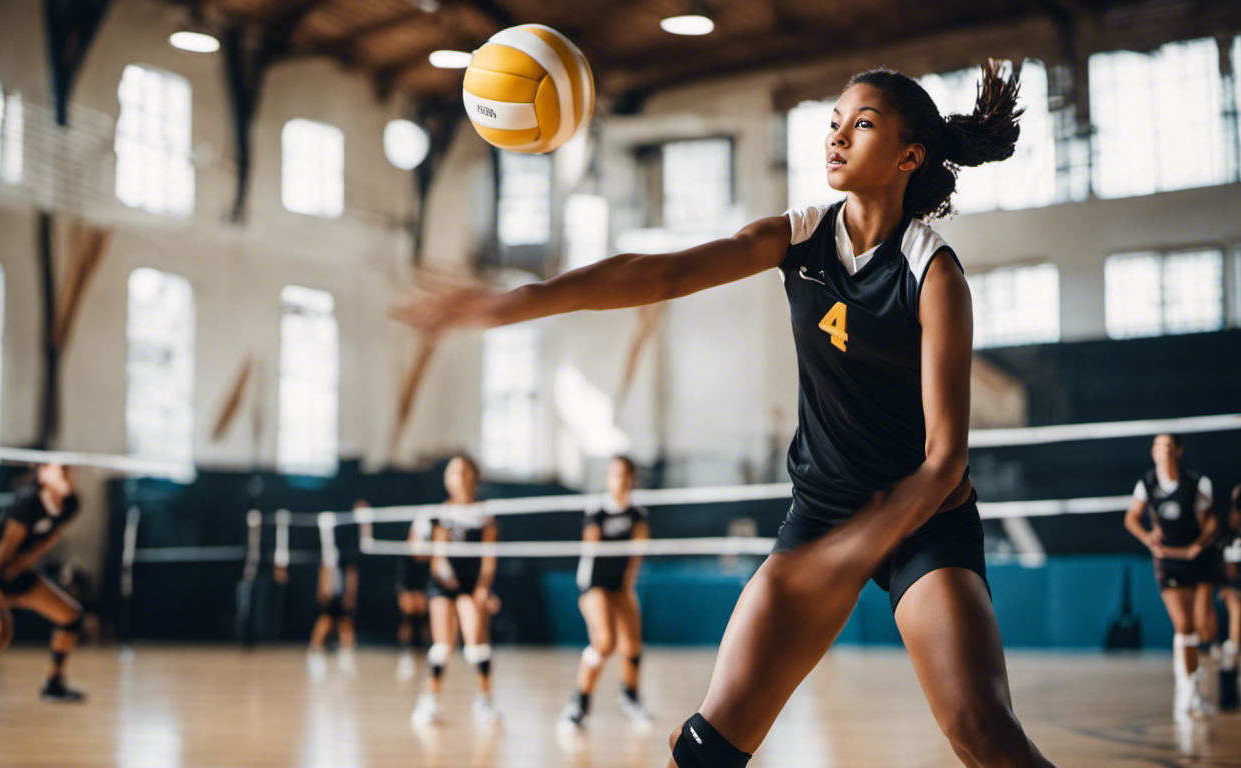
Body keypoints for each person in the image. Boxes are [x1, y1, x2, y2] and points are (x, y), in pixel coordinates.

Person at [399, 60, 1057, 767]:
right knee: (708, 749)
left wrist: (860, 544)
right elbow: (661, 272)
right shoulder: (802, 236)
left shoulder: (934, 274)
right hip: (823, 513)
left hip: (924, 525)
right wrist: (512, 303)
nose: (835, 137)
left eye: (860, 125)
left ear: (908, 155)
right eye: (832, 123)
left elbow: (945, 459)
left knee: (983, 733)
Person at [0, 463, 87, 711]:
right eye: (61, 468)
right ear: (42, 473)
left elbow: (46, 541)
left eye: (70, 468)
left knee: (71, 617)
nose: (67, 471)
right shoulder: (28, 500)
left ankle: (53, 684)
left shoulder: (71, 504)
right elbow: (0, 555)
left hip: (13, 570)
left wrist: (22, 567)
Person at [1124, 433, 1218, 720]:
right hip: (1168, 562)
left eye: (1166, 446)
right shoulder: (1147, 483)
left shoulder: (1195, 484)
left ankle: (1191, 683)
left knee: (1204, 628)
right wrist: (1148, 538)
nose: (1160, 451)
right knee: (1183, 624)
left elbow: (1210, 521)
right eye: (1156, 446)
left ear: (1178, 450)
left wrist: (1199, 545)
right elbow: (1131, 518)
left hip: (1197, 560)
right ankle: (1188, 693)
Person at [560, 455, 651, 727]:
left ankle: (630, 697)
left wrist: (628, 580)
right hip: (594, 583)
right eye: (614, 474)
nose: (619, 480)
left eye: (624, 475)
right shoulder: (596, 510)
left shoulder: (638, 514)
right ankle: (579, 702)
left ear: (632, 479)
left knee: (633, 643)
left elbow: (637, 551)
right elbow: (592, 545)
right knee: (605, 642)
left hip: (620, 585)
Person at [411, 456, 501, 725]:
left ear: (473, 476)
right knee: (443, 645)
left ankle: (484, 701)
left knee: (476, 642)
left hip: (472, 585)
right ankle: (430, 701)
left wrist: (484, 587)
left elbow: (489, 554)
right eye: (452, 473)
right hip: (443, 583)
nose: (458, 478)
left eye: (463, 472)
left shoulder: (485, 514)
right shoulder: (441, 513)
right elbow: (435, 555)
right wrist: (442, 575)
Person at [307, 502, 365, 676]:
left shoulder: (351, 541)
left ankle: (345, 656)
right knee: (327, 620)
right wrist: (324, 586)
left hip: (340, 588)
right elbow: (327, 566)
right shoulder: (338, 538)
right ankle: (315, 653)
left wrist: (350, 593)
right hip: (334, 588)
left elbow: (351, 570)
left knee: (344, 622)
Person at [396, 506, 433, 681]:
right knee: (408, 619)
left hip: (424, 586)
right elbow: (403, 573)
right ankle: (406, 652)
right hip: (408, 586)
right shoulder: (407, 550)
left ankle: (428, 651)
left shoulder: (431, 548)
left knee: (425, 620)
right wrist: (403, 592)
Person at [1218, 484, 1241, 711]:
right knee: (1237, 606)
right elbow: (1227, 573)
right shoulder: (1227, 536)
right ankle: (1229, 665)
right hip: (1232, 589)